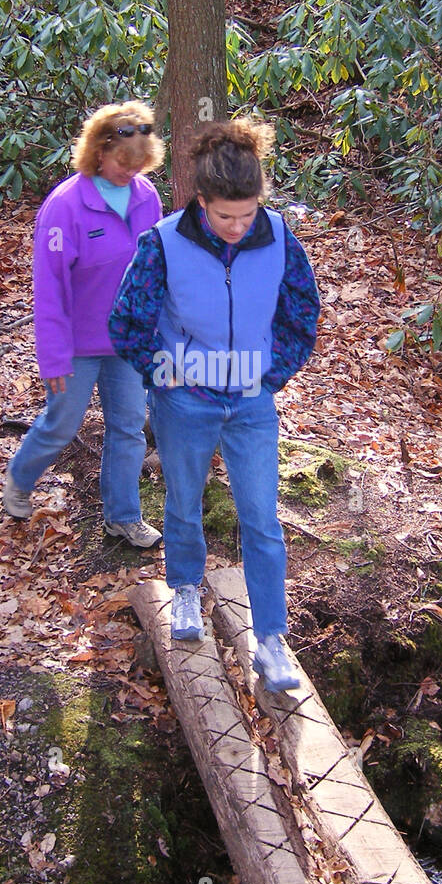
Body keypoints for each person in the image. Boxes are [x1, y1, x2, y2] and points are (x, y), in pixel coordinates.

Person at [109, 119, 320, 692]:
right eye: (224, 216)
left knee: (262, 518)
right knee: (183, 503)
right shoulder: (162, 243)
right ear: (201, 201)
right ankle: (184, 592)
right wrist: (165, 372)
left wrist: (269, 375)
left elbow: (302, 317)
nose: (236, 226)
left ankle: (271, 640)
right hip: (185, 402)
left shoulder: (279, 238)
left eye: (246, 215)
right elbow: (127, 323)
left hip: (251, 402)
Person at [3, 101, 164, 549]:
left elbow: (154, 270)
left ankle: (123, 515)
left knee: (129, 426)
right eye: (121, 162)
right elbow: (50, 289)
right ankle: (19, 478)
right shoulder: (65, 206)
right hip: (75, 343)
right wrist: (52, 356)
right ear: (97, 152)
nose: (129, 172)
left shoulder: (147, 196)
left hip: (127, 339)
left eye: (138, 164)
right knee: (62, 422)